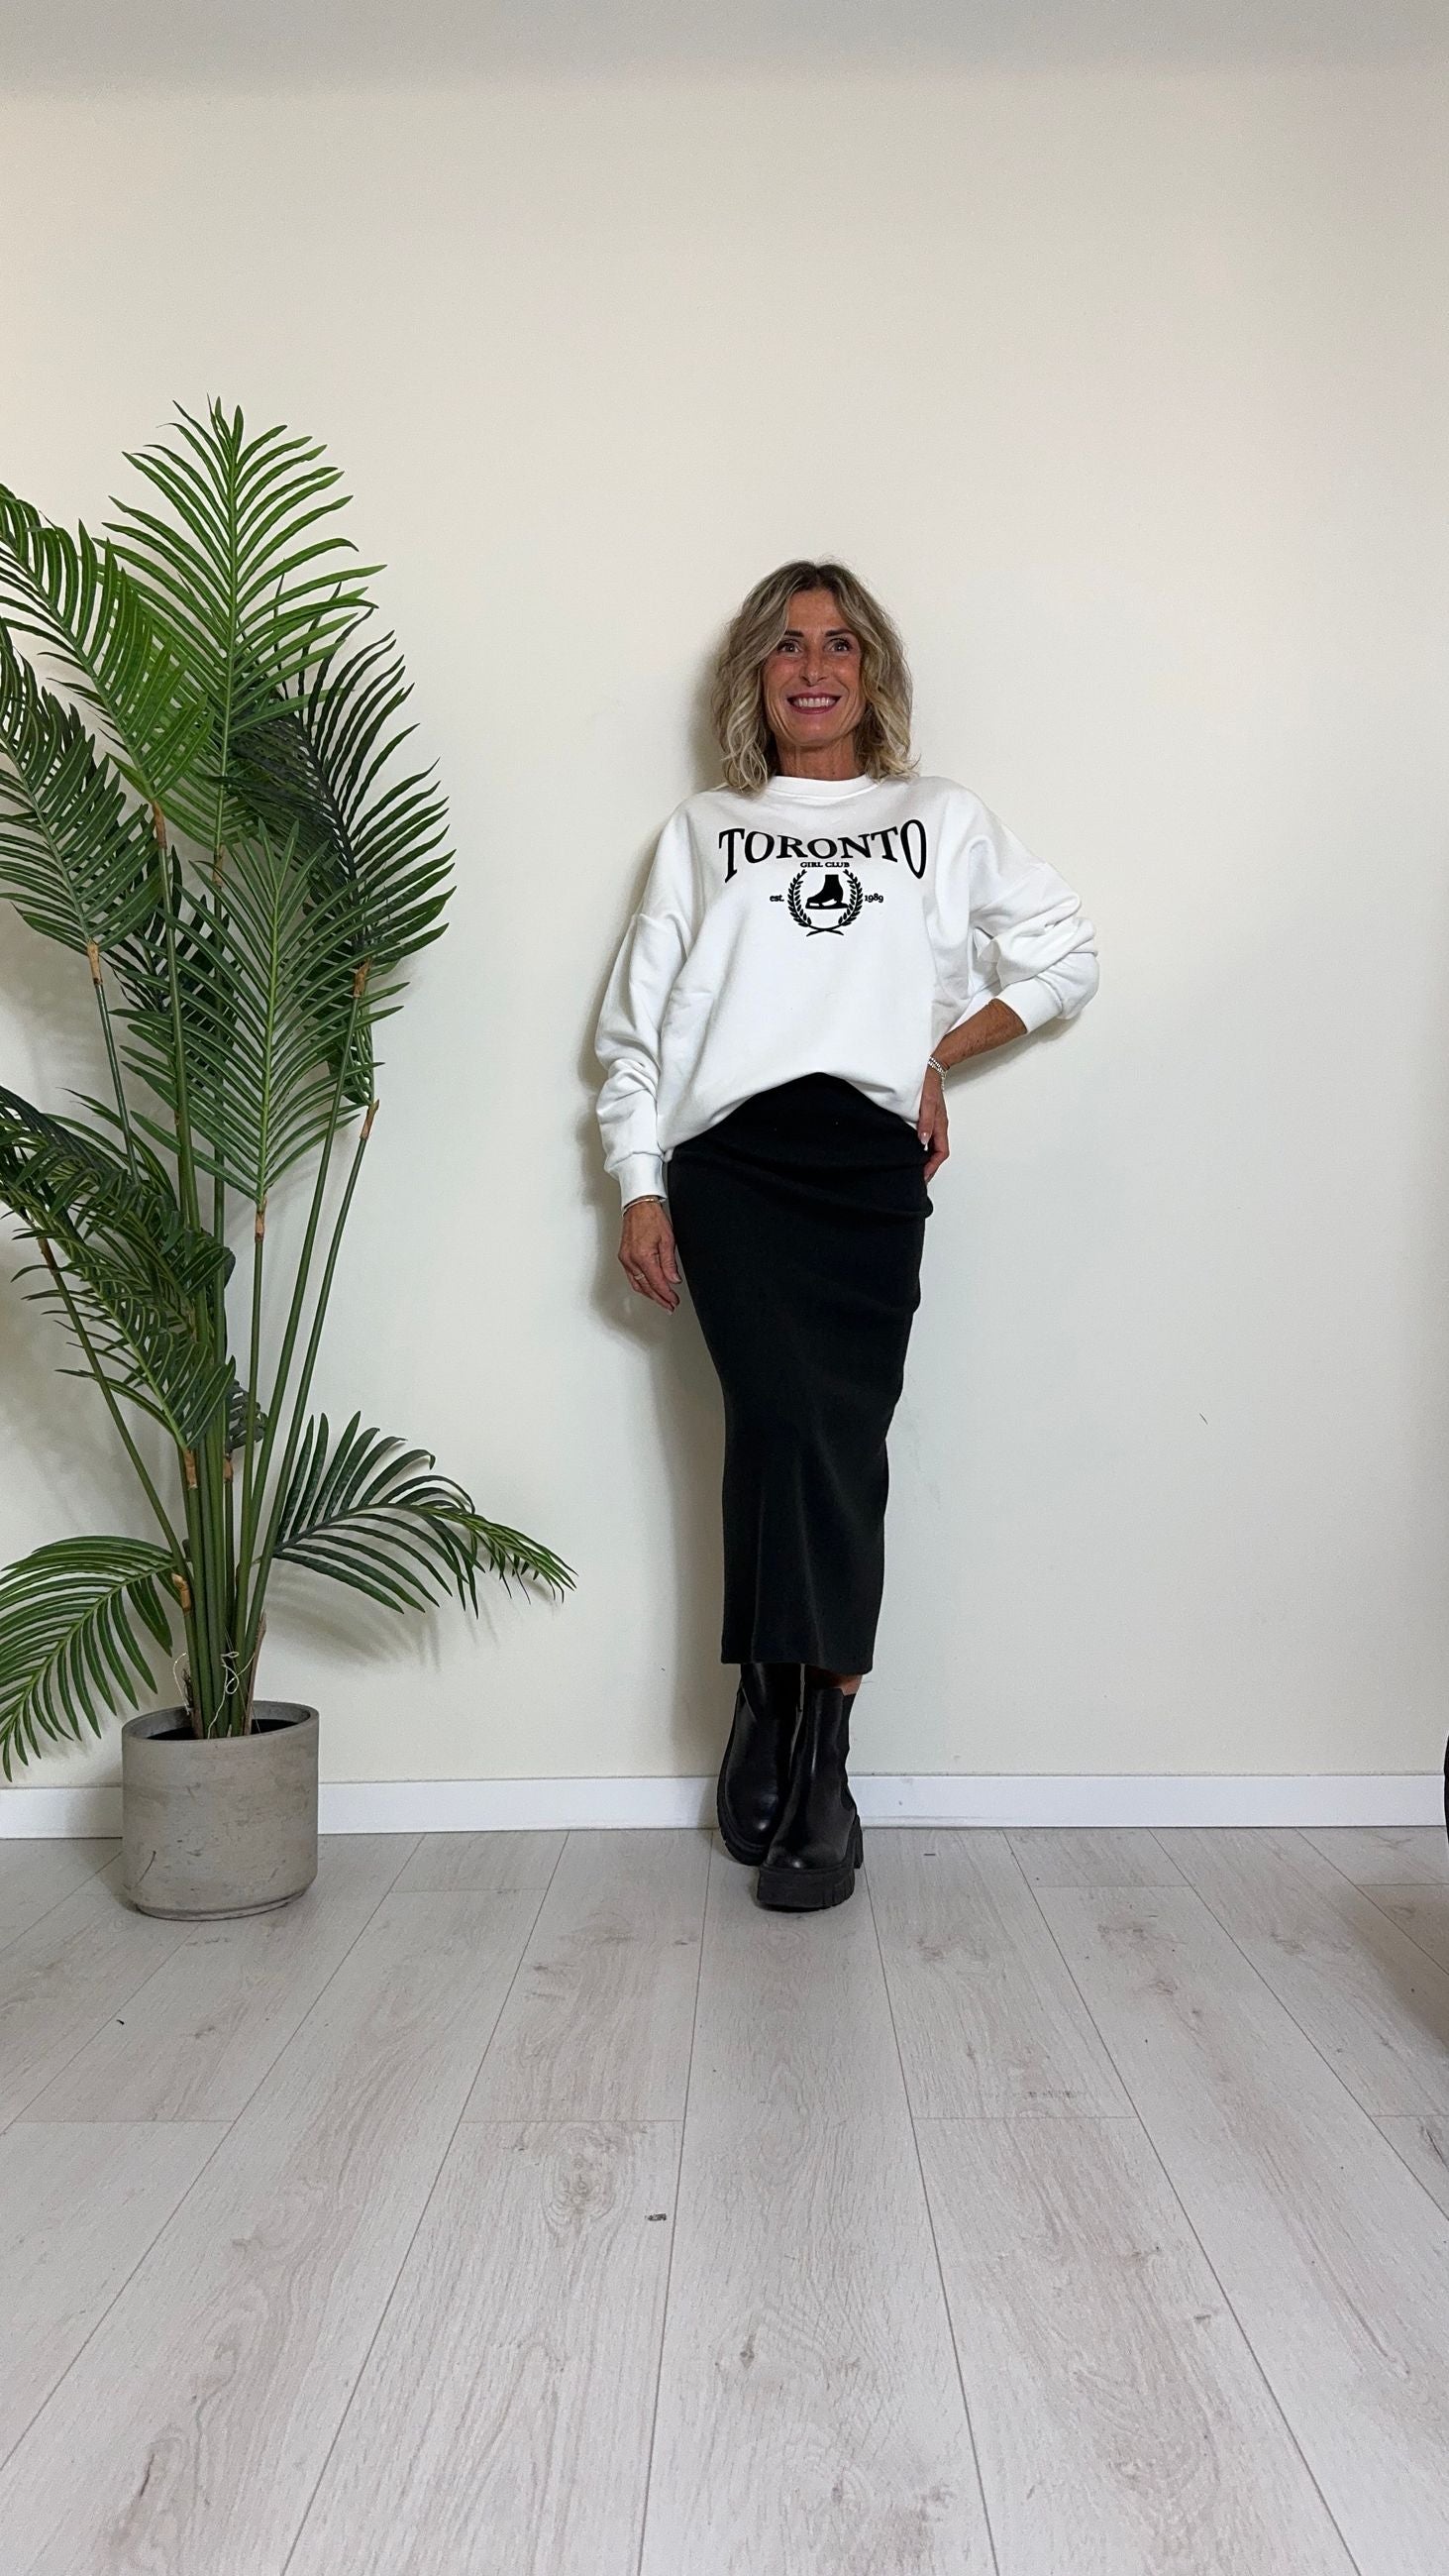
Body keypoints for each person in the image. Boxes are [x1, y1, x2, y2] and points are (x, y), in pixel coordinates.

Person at [594, 561, 1098, 1912]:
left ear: (871, 672)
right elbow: (635, 1034)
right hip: (733, 1163)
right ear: (753, 678)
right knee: (779, 1423)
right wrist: (639, 1182)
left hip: (868, 1166)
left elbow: (1066, 955)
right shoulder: (706, 831)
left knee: (837, 1439)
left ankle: (813, 1735)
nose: (811, 669)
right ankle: (781, 1705)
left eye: (837, 646)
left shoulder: (939, 819)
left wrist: (936, 1053)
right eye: (784, 647)